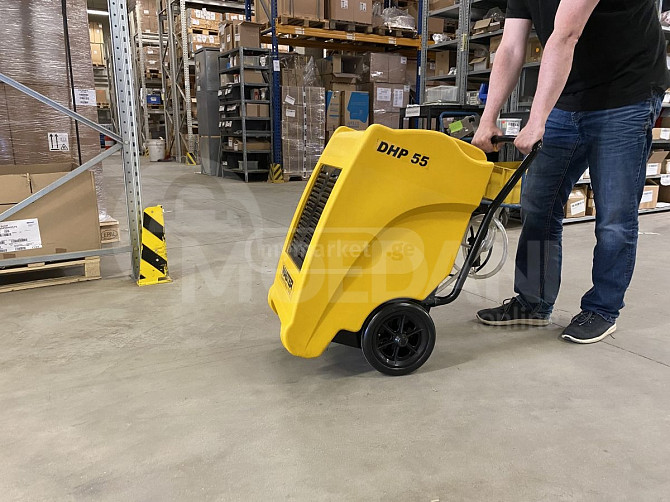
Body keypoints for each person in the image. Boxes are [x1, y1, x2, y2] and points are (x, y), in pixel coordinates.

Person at [472, 0, 670, 343]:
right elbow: (511, 47)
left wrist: (537, 120)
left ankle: (603, 309)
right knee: (538, 204)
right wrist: (488, 118)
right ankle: (533, 302)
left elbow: (566, 34)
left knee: (614, 216)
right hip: (567, 94)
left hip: (626, 93)